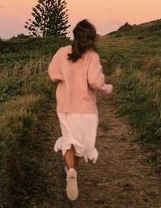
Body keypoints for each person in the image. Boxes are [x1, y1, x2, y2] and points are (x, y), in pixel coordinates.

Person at [47, 19, 113, 201]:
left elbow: (53, 75)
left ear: (74, 36)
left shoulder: (62, 53)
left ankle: (71, 170)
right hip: (86, 110)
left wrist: (66, 76)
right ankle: (73, 171)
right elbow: (94, 81)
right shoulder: (92, 56)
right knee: (81, 145)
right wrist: (106, 87)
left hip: (66, 107)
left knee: (69, 141)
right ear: (92, 38)